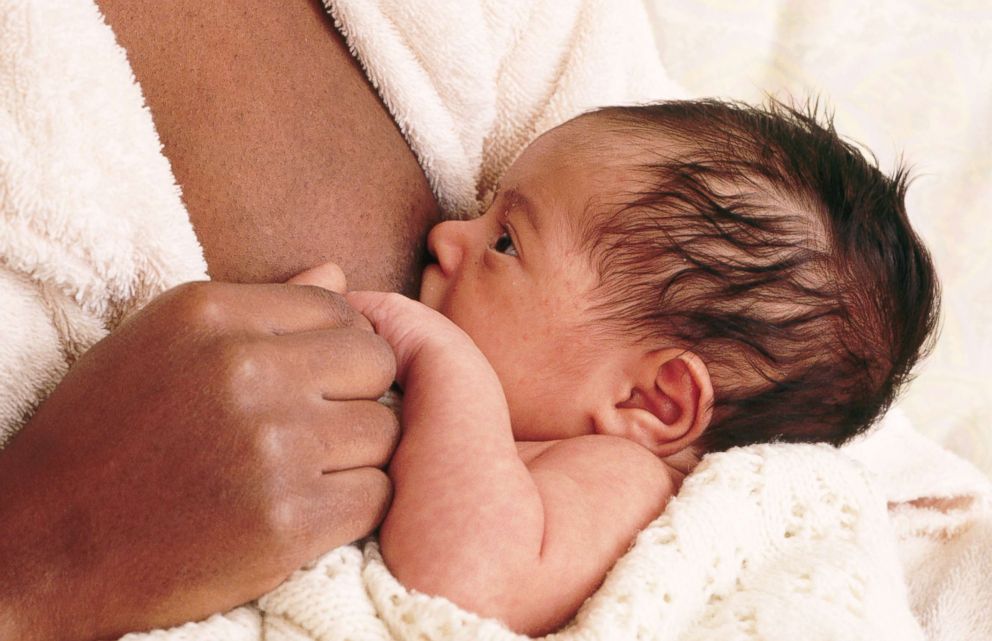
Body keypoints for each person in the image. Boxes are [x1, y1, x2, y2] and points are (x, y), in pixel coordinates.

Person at [331, 100, 939, 635]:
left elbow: (470, 577)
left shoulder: (624, 479)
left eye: (506, 241)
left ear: (651, 401)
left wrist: (443, 360)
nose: (445, 234)